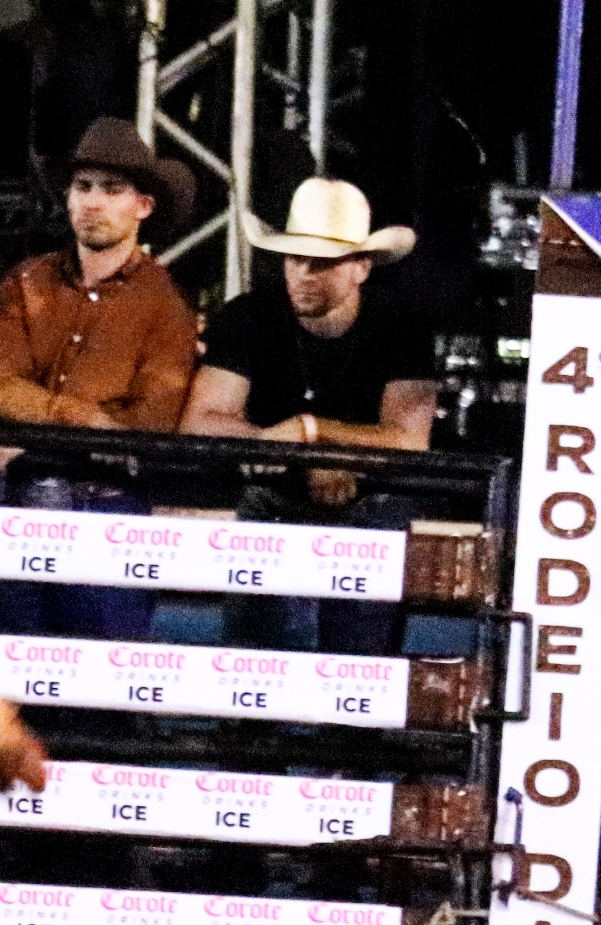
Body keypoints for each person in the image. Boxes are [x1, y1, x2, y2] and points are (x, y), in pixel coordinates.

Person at [183, 177, 435, 653]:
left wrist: (309, 430)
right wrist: (304, 454)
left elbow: (410, 438)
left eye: (321, 262)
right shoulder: (248, 316)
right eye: (293, 258)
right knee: (252, 670)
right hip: (273, 503)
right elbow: (201, 420)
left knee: (358, 674)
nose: (302, 273)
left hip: (369, 509)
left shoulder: (399, 328)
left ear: (361, 268)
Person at [0, 117, 199, 640]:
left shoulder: (168, 305)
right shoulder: (26, 281)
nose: (92, 202)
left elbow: (148, 425)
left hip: (108, 503)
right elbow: (0, 387)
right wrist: (87, 419)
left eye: (112, 189)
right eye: (83, 186)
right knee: (9, 661)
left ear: (143, 206)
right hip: (30, 494)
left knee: (101, 667)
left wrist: (35, 430)